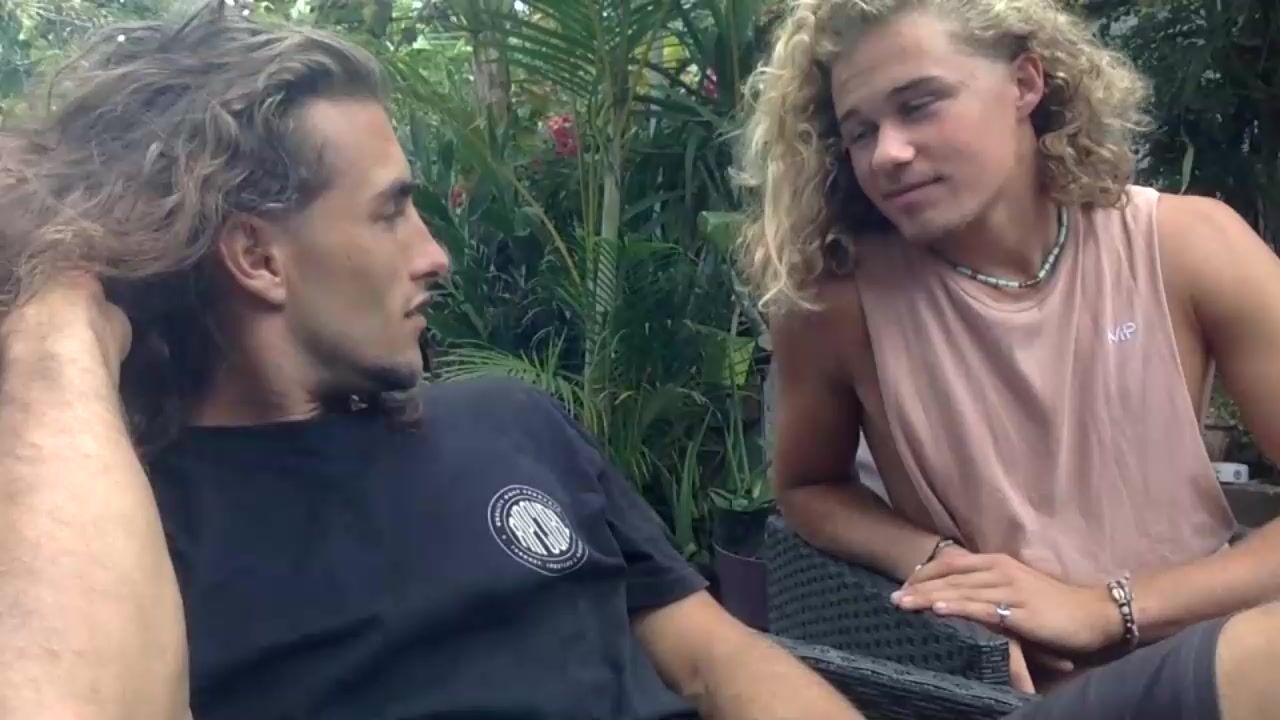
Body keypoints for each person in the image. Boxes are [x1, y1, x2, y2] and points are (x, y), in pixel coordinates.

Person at [0, 2, 862, 719]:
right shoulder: (126, 539)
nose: (435, 255)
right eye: (390, 213)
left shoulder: (514, 421)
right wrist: (57, 314)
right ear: (258, 258)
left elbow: (716, 659)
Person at [735, 0, 1280, 714]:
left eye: (919, 105)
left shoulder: (1188, 247)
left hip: (1217, 655)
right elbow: (809, 488)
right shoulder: (838, 304)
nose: (888, 153)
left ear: (1025, 84)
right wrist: (940, 563)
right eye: (860, 131)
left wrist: (1106, 607)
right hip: (1014, 695)